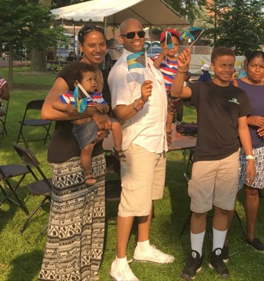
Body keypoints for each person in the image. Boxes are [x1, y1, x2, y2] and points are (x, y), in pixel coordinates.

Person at [171, 47, 256, 280]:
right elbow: (176, 91)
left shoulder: (239, 95)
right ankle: (195, 256)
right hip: (205, 157)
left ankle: (217, 255)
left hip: (230, 157)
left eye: (231, 65)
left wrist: (250, 158)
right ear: (214, 65)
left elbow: (242, 128)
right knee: (199, 209)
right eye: (223, 65)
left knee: (224, 207)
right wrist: (181, 68)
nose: (227, 70)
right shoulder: (202, 88)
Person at [39, 24, 111, 281]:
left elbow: (104, 111)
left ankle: (85, 273)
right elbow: (47, 112)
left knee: (90, 218)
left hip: (95, 155)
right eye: (92, 45)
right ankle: (59, 275)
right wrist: (90, 112)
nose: (98, 49)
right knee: (67, 224)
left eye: (102, 44)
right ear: (81, 46)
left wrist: (104, 125)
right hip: (69, 156)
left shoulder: (100, 74)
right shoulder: (70, 75)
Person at [108, 18, 173, 281]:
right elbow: (118, 113)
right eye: (130, 34)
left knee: (147, 199)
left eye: (140, 33)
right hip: (139, 143)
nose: (137, 37)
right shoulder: (121, 70)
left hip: (156, 142)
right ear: (121, 38)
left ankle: (143, 246)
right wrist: (140, 100)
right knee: (131, 202)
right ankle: (119, 262)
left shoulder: (145, 62)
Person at [224, 51, 264, 258]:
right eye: (253, 65)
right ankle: (222, 239)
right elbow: (226, 113)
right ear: (246, 65)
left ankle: (251, 235)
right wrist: (248, 119)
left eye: (261, 66)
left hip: (261, 145)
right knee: (230, 191)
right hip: (236, 145)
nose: (257, 70)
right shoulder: (236, 85)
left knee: (252, 190)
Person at [52, 62, 125, 185]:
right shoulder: (72, 96)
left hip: (98, 125)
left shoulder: (96, 96)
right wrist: (66, 107)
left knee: (116, 125)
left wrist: (102, 107)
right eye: (89, 80)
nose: (94, 83)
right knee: (87, 149)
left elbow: (107, 108)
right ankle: (87, 173)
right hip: (84, 128)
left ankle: (117, 149)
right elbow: (54, 103)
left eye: (95, 79)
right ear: (77, 84)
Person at [154, 28, 182, 138]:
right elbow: (155, 66)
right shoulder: (160, 58)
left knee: (171, 107)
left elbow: (183, 74)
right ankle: (159, 127)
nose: (172, 47)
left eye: (175, 45)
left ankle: (168, 128)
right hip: (159, 91)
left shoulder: (179, 60)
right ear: (162, 45)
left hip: (171, 91)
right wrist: (162, 54)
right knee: (159, 111)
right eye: (169, 44)